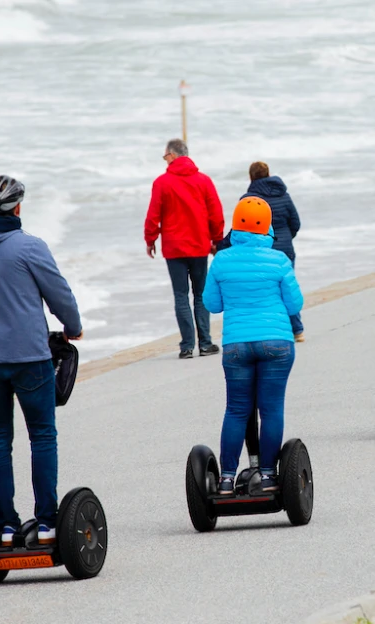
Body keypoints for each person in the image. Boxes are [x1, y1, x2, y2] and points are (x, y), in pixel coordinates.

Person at [0, 175, 82, 547]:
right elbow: (59, 293)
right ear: (18, 207)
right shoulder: (29, 247)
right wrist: (72, 326)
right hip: (29, 356)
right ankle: (46, 523)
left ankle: (8, 527)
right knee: (42, 435)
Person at [203, 197, 303, 494]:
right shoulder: (280, 260)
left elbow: (212, 304)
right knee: (271, 409)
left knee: (236, 410)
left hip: (237, 345)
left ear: (235, 225)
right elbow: (295, 303)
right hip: (277, 343)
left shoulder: (221, 260)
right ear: (267, 227)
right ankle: (270, 476)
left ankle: (226, 479)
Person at [144, 139, 225, 359]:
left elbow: (153, 215)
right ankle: (205, 343)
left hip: (174, 248)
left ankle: (187, 346)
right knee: (200, 295)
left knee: (181, 296)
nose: (164, 161)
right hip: (199, 246)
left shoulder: (162, 183)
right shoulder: (204, 181)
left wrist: (150, 239)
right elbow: (215, 213)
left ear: (171, 155)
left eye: (165, 157)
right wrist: (216, 240)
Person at [242, 161, 304, 342]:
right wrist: (285, 239)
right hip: (285, 250)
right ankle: (297, 330)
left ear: (251, 177)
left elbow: (242, 230)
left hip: (259, 252)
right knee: (287, 288)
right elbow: (296, 223)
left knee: (263, 291)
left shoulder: (247, 200)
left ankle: (270, 331)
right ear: (268, 174)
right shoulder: (283, 195)